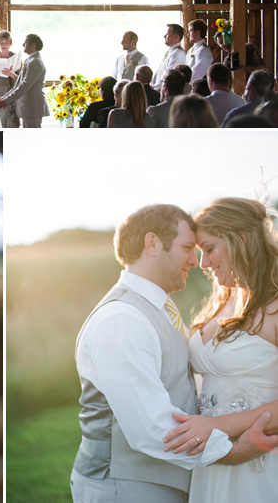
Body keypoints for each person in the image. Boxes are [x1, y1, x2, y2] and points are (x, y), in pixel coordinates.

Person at [71, 203, 272, 503]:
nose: (196, 261)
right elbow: (152, 427)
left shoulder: (158, 307)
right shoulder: (122, 319)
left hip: (171, 479)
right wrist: (234, 451)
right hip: (126, 487)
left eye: (202, 248)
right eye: (188, 247)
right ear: (152, 244)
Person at [162, 198, 278, 503]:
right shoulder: (221, 302)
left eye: (209, 249)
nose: (203, 263)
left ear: (240, 238)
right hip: (211, 458)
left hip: (257, 460)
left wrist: (217, 426)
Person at [0, 34, 50, 128]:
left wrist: (5, 101)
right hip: (29, 107)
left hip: (32, 107)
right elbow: (23, 81)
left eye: (25, 43)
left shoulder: (35, 62)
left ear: (33, 45)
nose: (23, 45)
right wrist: (3, 98)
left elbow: (25, 86)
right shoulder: (32, 59)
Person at [0, 30, 19, 128]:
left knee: (10, 121)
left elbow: (21, 79)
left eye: (7, 43)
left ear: (10, 43)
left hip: (12, 93)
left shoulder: (15, 57)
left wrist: (11, 74)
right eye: (2, 43)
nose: (4, 45)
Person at [151, 24, 186, 92]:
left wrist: (156, 87)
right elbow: (159, 71)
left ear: (176, 37)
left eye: (167, 34)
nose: (164, 36)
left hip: (166, 91)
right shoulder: (171, 51)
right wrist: (153, 84)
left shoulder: (178, 53)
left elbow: (168, 73)